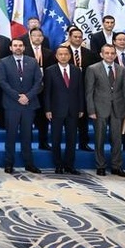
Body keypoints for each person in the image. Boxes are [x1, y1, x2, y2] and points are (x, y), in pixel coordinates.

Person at [85, 44, 125, 177]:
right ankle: (100, 166)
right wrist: (91, 110)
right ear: (101, 54)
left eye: (112, 53)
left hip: (118, 108)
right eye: (107, 53)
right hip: (99, 109)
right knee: (99, 138)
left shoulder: (121, 69)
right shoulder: (93, 69)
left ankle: (117, 166)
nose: (110, 55)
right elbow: (89, 92)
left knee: (117, 139)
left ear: (116, 55)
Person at [0, 39, 43, 174]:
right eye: (15, 46)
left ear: (24, 47)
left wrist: (27, 96)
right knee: (10, 135)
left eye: (20, 46)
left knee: (27, 135)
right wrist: (18, 97)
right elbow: (3, 82)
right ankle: (8, 163)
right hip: (12, 105)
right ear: (11, 48)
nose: (18, 48)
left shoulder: (33, 61)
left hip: (29, 105)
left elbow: (38, 82)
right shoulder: (4, 62)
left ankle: (29, 163)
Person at [44, 46, 84, 175]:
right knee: (55, 139)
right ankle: (58, 164)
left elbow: (80, 91)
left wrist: (81, 108)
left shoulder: (77, 70)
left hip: (73, 110)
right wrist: (48, 109)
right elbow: (47, 92)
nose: (63, 56)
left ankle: (69, 165)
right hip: (56, 110)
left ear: (70, 56)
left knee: (71, 139)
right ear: (56, 56)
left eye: (66, 54)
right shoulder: (50, 71)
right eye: (60, 54)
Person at [67, 26, 99, 151]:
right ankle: (70, 143)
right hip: (68, 90)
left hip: (85, 90)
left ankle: (83, 142)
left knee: (83, 118)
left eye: (80, 37)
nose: (78, 39)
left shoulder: (90, 54)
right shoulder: (63, 52)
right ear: (70, 38)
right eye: (75, 37)